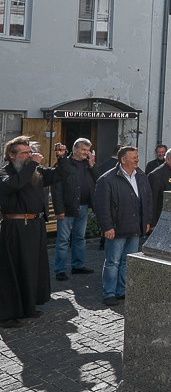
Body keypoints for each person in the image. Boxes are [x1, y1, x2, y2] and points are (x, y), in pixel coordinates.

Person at [0, 136, 70, 328]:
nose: (29, 156)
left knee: (31, 268)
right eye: (24, 153)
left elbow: (60, 175)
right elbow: (14, 185)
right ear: (11, 155)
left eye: (30, 152)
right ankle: (7, 314)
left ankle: (28, 307)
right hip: (15, 228)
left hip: (35, 226)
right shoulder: (5, 172)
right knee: (12, 270)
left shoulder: (36, 171)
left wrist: (62, 157)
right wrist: (33, 165)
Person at [93, 146, 152, 306]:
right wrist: (107, 227)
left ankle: (122, 290)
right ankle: (109, 293)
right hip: (116, 229)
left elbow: (147, 200)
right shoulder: (107, 179)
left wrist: (146, 221)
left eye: (137, 156)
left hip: (134, 228)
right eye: (133, 157)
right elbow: (101, 206)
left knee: (128, 261)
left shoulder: (141, 176)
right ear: (123, 160)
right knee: (113, 262)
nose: (137, 160)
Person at [50, 138, 100, 281]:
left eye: (88, 150)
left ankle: (78, 265)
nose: (86, 153)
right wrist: (59, 210)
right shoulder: (63, 164)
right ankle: (60, 269)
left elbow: (99, 180)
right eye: (84, 150)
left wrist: (92, 165)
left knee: (79, 238)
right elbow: (56, 189)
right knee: (63, 240)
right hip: (66, 207)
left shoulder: (87, 165)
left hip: (83, 206)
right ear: (75, 149)